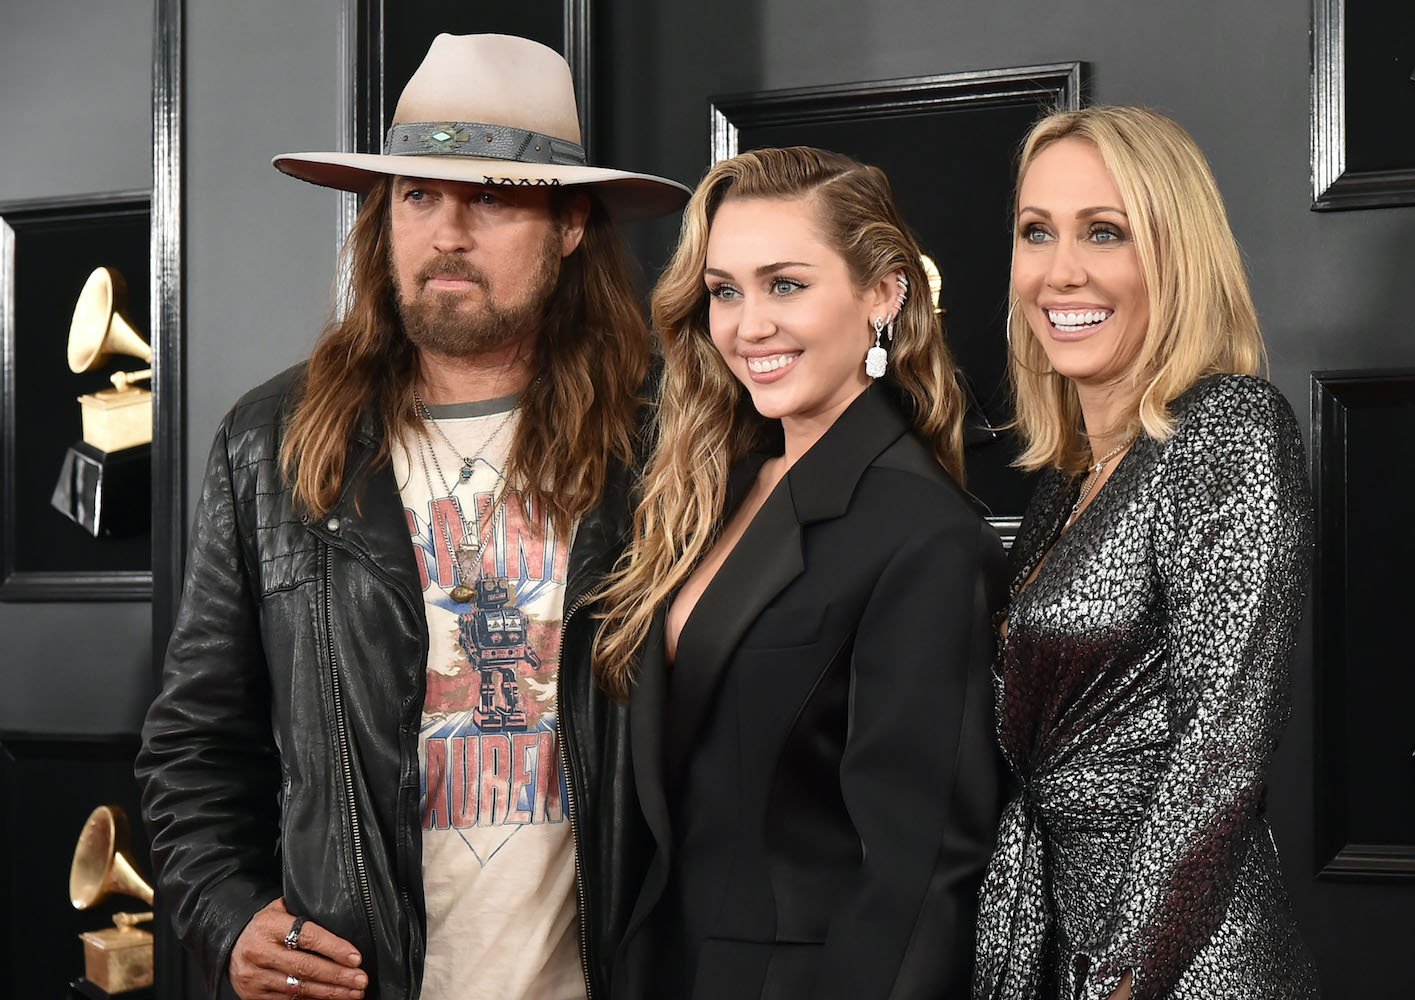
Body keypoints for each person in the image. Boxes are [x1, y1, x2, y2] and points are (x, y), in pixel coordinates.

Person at [135, 33, 689, 1000]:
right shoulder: (272, 443)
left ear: (568, 224)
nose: (447, 233)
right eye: (418, 196)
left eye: (493, 198)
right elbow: (194, 740)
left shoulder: (664, 442)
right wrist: (225, 916)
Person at [591, 146, 1006, 999]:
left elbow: (919, 879)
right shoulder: (723, 484)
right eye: (725, 290)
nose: (749, 326)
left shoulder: (925, 533)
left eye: (786, 285)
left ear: (882, 295)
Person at [971, 105, 1320, 1000]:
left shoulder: (1229, 428)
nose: (1061, 272)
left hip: (1181, 972)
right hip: (1054, 945)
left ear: (1176, 254)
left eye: (1105, 233)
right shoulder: (1069, 479)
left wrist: (1118, 981)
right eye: (1035, 232)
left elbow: (1221, 752)